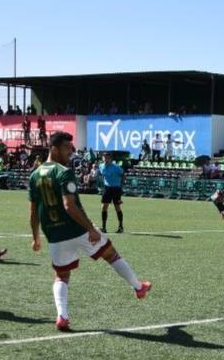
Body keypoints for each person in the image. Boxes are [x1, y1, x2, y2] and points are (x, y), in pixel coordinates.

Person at [29, 131, 150, 331]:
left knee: (61, 276)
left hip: (54, 236)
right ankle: (138, 287)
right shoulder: (63, 172)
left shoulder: (34, 176)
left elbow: (33, 212)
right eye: (67, 147)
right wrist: (90, 229)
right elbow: (69, 206)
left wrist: (36, 238)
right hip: (77, 230)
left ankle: (62, 316)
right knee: (111, 254)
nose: (71, 151)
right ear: (54, 148)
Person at [98, 152, 125, 233]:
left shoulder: (116, 167)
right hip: (107, 189)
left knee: (117, 207)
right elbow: (103, 176)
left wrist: (120, 187)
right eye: (104, 157)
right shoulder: (101, 166)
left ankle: (120, 227)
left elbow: (123, 176)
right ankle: (104, 227)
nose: (105, 159)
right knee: (104, 207)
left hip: (116, 189)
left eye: (107, 158)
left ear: (111, 159)